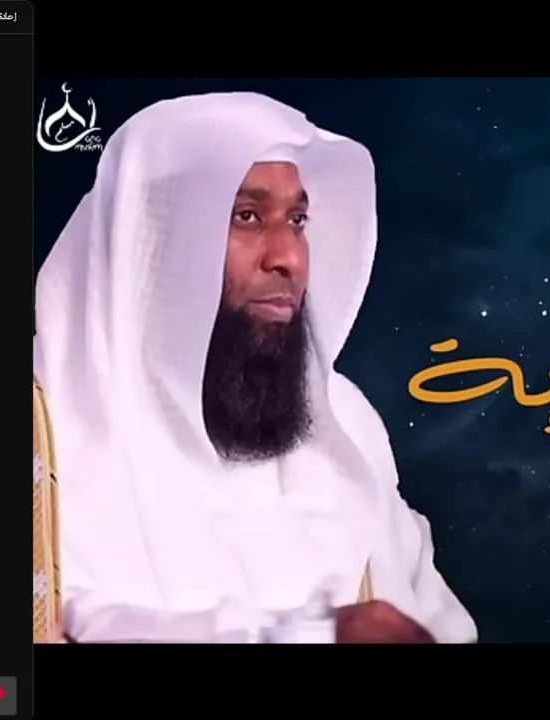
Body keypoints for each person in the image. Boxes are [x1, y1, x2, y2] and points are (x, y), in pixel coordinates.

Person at [33, 92, 477, 643]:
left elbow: (435, 622)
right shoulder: (45, 429)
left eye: (297, 220)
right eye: (247, 217)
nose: (288, 257)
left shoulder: (343, 424)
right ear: (155, 236)